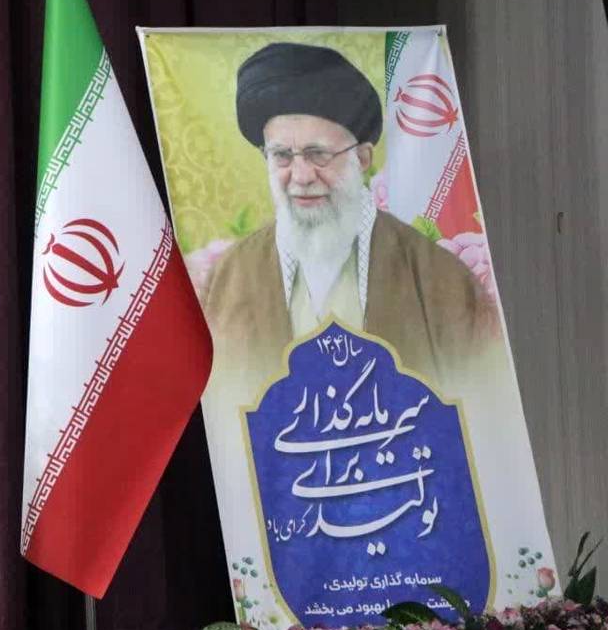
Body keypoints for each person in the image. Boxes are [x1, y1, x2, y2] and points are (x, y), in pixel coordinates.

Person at [198, 42, 499, 395]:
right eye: (281, 156)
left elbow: (483, 403)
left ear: (363, 158)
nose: (301, 176)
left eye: (318, 154)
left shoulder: (441, 280)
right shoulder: (228, 279)